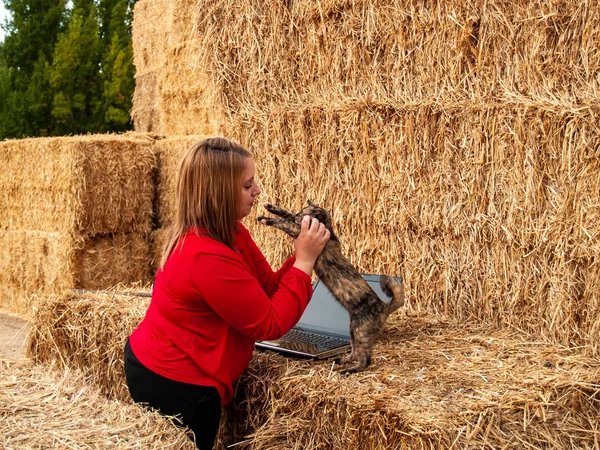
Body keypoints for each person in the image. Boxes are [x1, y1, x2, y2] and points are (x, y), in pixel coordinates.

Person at [123, 137, 330, 450]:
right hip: (175, 381)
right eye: (248, 185)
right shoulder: (204, 256)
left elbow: (266, 290)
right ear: (219, 193)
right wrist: (303, 262)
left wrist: (302, 254)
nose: (258, 191)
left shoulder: (231, 231)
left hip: (175, 368)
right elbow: (268, 324)